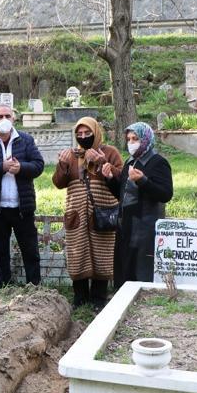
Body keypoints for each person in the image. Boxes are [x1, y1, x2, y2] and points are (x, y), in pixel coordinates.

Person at [52, 117, 123, 309]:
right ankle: (80, 299)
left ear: (96, 132)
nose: (83, 137)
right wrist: (63, 165)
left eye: (87, 133)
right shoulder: (72, 155)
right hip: (76, 214)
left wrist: (101, 162)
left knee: (102, 254)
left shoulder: (110, 152)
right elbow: (58, 183)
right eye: (79, 134)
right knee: (77, 254)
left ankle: (99, 299)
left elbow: (121, 181)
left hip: (102, 214)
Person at [103, 121, 173, 288]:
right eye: (129, 139)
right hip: (125, 225)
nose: (131, 143)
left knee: (141, 271)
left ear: (146, 139)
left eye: (135, 138)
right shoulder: (130, 162)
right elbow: (122, 195)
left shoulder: (158, 162)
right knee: (123, 268)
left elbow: (165, 194)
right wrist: (110, 179)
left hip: (145, 227)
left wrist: (143, 180)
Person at [0, 104, 44, 287]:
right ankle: (4, 289)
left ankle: (34, 288)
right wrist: (2, 167)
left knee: (30, 251)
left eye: (7, 116)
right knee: (0, 252)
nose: (3, 120)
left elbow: (39, 165)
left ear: (14, 119)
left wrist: (21, 168)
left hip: (22, 207)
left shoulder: (25, 140)